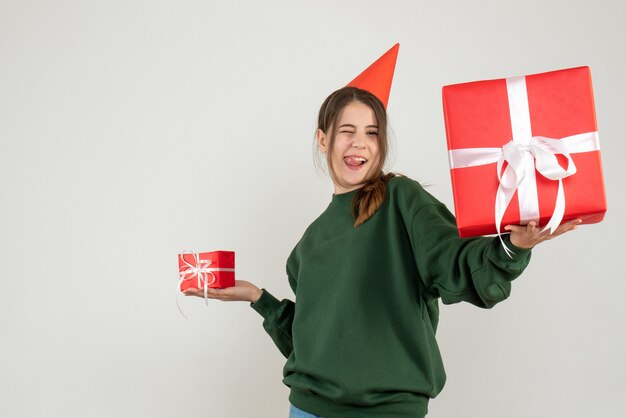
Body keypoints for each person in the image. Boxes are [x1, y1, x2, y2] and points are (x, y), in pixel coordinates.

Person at [183, 47, 581, 418]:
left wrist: (511, 247)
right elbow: (313, 347)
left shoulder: (402, 201)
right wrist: (257, 298)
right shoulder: (305, 247)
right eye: (347, 131)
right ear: (322, 139)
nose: (360, 144)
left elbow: (455, 260)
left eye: (372, 133)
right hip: (307, 409)